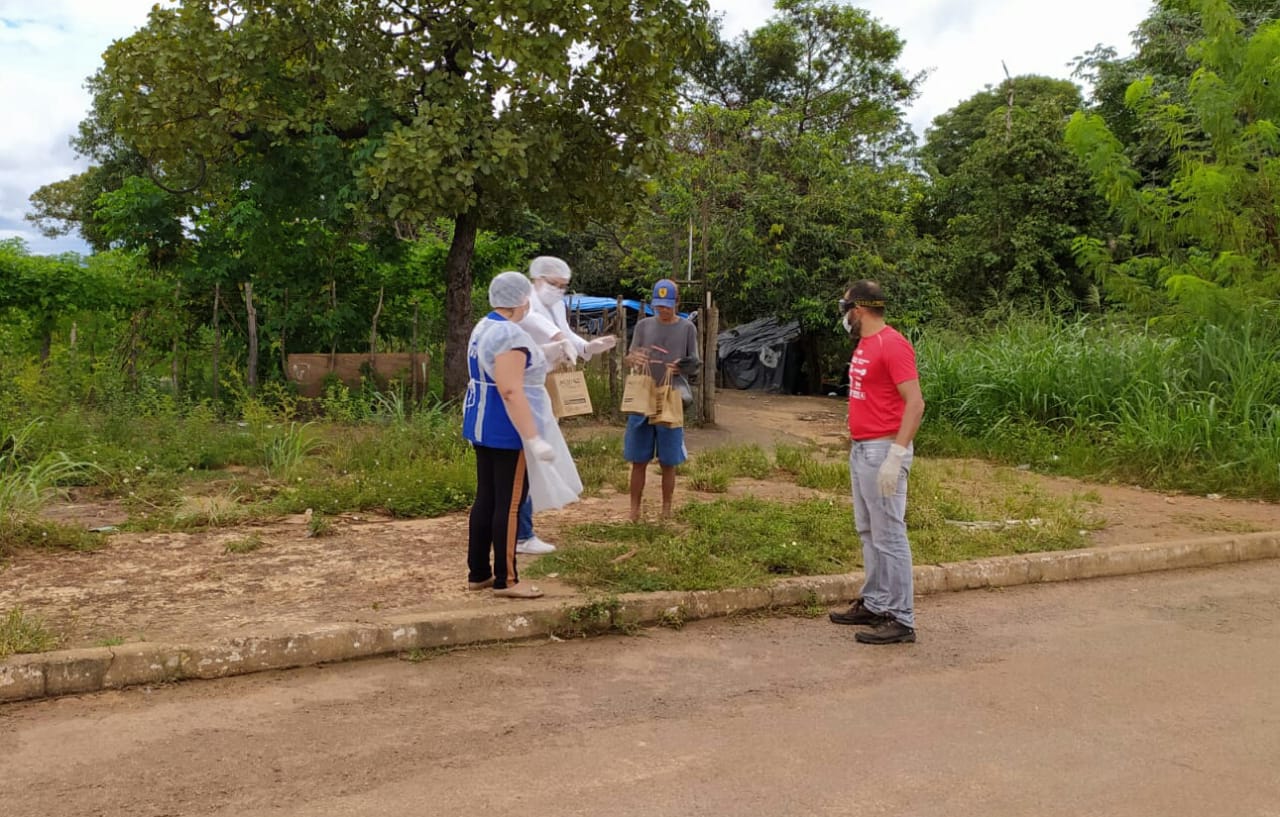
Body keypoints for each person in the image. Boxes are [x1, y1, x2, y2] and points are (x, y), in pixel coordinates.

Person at [462, 271, 582, 599]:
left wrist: (552, 352)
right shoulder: (510, 334)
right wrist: (533, 437)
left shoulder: (484, 326)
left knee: (487, 498)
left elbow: (513, 365)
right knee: (510, 503)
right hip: (506, 427)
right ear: (521, 299)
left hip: (481, 420)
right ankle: (507, 580)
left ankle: (479, 573)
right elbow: (511, 389)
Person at [827, 280, 926, 645]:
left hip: (883, 450)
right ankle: (876, 602)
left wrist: (896, 455)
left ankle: (901, 617)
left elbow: (915, 403)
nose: (844, 317)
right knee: (868, 531)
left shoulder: (892, 345)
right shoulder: (865, 344)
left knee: (889, 534)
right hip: (863, 448)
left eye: (846, 309)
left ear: (860, 309)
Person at [512, 256, 617, 555]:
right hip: (520, 386)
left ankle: (523, 528)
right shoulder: (523, 303)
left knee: (536, 462)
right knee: (523, 461)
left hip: (539, 386)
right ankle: (520, 533)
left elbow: (564, 332)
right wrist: (558, 341)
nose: (558, 290)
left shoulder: (556, 304)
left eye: (563, 286)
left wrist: (586, 346)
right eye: (554, 284)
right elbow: (539, 326)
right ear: (537, 279)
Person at [623, 278, 699, 522]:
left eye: (667, 306)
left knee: (668, 461)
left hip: (671, 396)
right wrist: (634, 359)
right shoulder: (643, 326)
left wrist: (681, 367)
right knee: (638, 459)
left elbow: (694, 363)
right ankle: (634, 510)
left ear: (677, 303)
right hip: (643, 396)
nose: (663, 310)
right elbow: (629, 356)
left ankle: (666, 510)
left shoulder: (687, 328)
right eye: (659, 306)